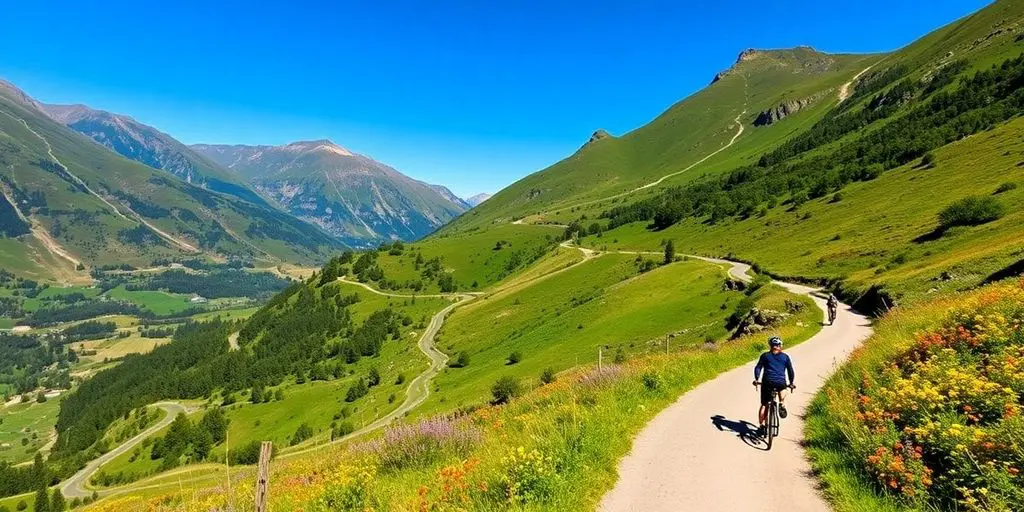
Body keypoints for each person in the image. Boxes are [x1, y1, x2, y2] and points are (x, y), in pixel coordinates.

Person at [753, 336, 795, 436]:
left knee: (764, 405)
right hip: (780, 382)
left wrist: (756, 379)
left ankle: (762, 426)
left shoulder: (765, 356)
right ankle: (781, 403)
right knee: (783, 387)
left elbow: (758, 368)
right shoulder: (785, 357)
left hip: (767, 382)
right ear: (780, 346)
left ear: (770, 346)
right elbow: (790, 371)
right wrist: (792, 382)